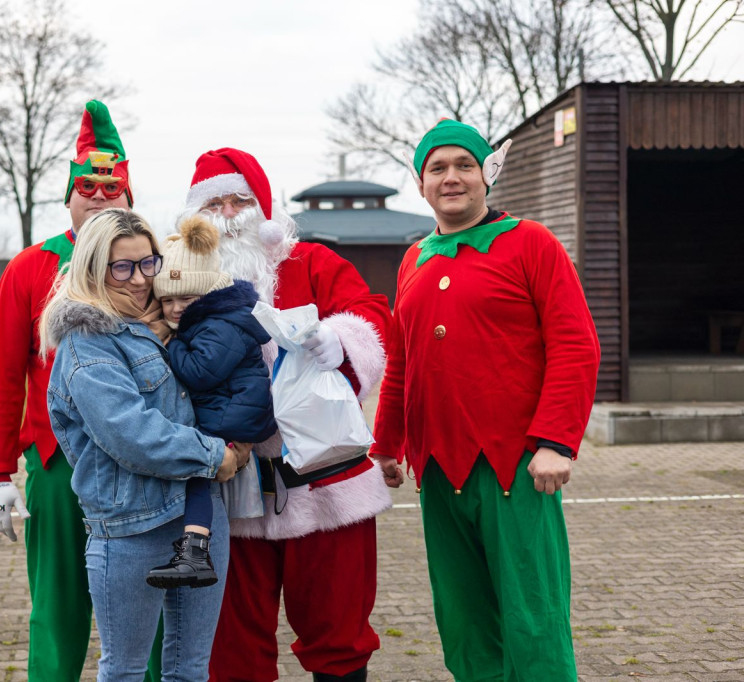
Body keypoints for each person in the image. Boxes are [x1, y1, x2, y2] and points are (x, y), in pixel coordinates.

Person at [370, 119, 601, 681]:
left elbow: (576, 344)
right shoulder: (414, 260)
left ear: (486, 175)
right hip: (438, 468)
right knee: (464, 619)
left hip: (517, 464)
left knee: (532, 616)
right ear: (420, 182)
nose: (452, 178)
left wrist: (555, 441)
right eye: (438, 168)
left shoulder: (531, 242)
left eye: (464, 166)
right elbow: (401, 359)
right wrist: (387, 443)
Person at [177, 149, 392, 682]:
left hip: (325, 483)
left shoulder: (313, 263)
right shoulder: (179, 280)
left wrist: (340, 341)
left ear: (264, 208)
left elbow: (374, 316)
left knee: (338, 632)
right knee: (232, 645)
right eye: (215, 204)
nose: (229, 214)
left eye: (240, 200)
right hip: (231, 486)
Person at [0, 99, 166, 681]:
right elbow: (1, 376)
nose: (100, 198)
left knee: (152, 610)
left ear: (129, 199)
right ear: (69, 196)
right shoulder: (30, 268)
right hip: (59, 464)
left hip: (145, 464)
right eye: (88, 187)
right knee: (57, 609)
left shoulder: (159, 265)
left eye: (113, 190)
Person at [40, 207, 242, 679]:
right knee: (126, 669)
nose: (138, 279)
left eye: (148, 263)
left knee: (190, 667)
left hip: (200, 517)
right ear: (93, 269)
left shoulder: (166, 325)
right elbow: (131, 435)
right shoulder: (87, 344)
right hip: (131, 530)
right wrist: (217, 456)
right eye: (122, 267)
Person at [145, 214, 276, 589]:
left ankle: (195, 552)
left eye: (187, 298)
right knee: (197, 476)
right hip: (229, 410)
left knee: (196, 475)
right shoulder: (211, 319)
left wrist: (169, 342)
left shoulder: (221, 323)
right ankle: (194, 547)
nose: (175, 309)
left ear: (208, 294)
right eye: (167, 300)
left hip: (232, 417)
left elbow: (200, 371)